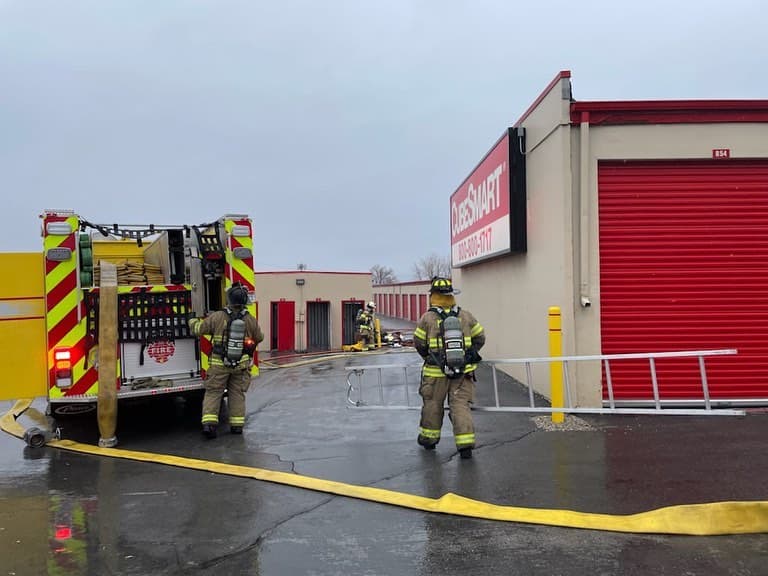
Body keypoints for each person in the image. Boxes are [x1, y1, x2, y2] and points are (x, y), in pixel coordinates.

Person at [413, 277, 485, 459]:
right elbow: (480, 338)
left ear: (434, 296)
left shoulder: (427, 318)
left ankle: (429, 440)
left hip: (435, 374)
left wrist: (431, 358)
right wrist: (468, 355)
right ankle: (465, 445)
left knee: (432, 405)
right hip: (463, 372)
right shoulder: (465, 316)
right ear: (452, 296)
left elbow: (419, 343)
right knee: (460, 406)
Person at [189, 282, 264, 438]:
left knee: (213, 392)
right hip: (241, 365)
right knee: (237, 394)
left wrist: (192, 321)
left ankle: (209, 426)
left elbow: (199, 330)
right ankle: (237, 426)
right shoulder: (249, 319)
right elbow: (259, 337)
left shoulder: (217, 316)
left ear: (229, 299)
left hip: (219, 364)